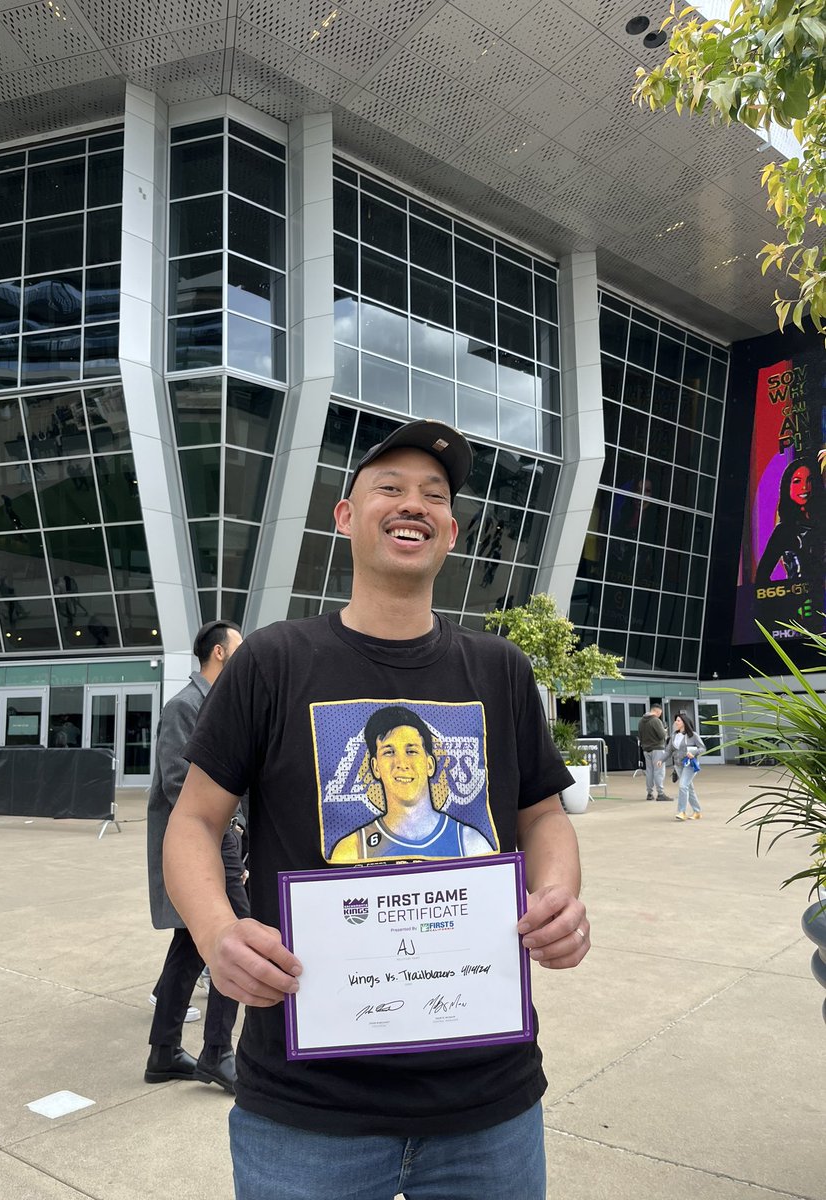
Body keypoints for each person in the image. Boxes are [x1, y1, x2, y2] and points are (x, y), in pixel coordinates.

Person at [164, 418, 590, 1200]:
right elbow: (193, 820)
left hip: (485, 1105)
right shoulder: (273, 660)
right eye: (388, 488)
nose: (412, 504)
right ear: (345, 516)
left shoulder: (499, 669)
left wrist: (558, 894)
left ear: (452, 531)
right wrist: (217, 931)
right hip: (305, 1107)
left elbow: (542, 815)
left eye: (433, 495)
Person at [145, 618, 248, 1092]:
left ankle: (164, 1052)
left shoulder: (216, 706)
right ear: (220, 654)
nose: (244, 656)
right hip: (205, 842)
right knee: (237, 933)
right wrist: (227, 828)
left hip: (221, 837)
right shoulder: (186, 706)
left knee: (190, 944)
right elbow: (174, 781)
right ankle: (217, 1051)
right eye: (239, 648)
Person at [330, 704, 496, 861]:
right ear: (375, 767)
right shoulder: (353, 849)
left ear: (430, 764)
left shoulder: (471, 844)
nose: (401, 763)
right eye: (389, 752)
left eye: (411, 751)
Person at [755, 457, 823, 584]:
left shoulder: (821, 523)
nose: (804, 487)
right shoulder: (783, 531)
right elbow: (761, 578)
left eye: (810, 480)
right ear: (788, 487)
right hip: (801, 599)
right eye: (797, 481)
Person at [666, 711, 704, 822]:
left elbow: (702, 748)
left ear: (684, 722)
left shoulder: (692, 735)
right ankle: (697, 812)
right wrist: (661, 760)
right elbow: (669, 750)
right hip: (678, 765)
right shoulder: (674, 735)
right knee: (689, 788)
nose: (675, 722)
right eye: (676, 720)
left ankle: (681, 812)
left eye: (678, 720)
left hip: (690, 765)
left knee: (683, 786)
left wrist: (694, 752)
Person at [637, 703, 671, 803]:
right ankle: (660, 794)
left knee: (649, 771)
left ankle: (649, 793)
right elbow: (661, 735)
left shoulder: (641, 721)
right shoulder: (656, 720)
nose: (660, 715)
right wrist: (665, 731)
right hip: (657, 748)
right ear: (656, 711)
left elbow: (640, 736)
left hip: (646, 749)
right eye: (660, 713)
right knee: (659, 771)